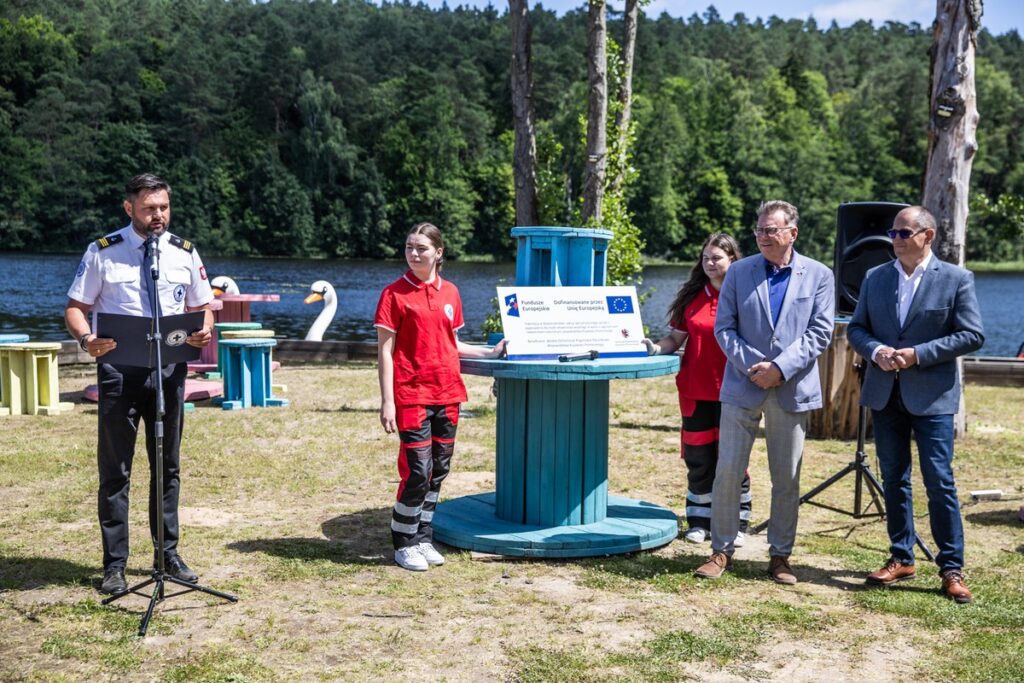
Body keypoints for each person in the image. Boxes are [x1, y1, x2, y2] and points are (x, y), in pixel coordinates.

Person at [65, 173, 215, 595]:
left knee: (167, 466)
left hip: (168, 371)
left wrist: (204, 329)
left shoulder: (184, 252)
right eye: (149, 209)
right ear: (129, 207)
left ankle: (167, 554)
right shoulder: (103, 252)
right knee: (116, 470)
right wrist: (87, 340)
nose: (158, 216)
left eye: (164, 207)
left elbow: (204, 306)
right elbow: (75, 308)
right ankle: (114, 564)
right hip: (119, 372)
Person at [847, 205, 984, 603]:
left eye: (904, 233)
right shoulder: (875, 277)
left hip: (933, 398)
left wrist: (918, 354)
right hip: (884, 393)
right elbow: (857, 329)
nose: (895, 239)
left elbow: (972, 335)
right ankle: (901, 556)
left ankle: (951, 567)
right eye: (893, 233)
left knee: (939, 480)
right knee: (894, 478)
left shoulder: (956, 278)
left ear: (928, 235)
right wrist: (876, 351)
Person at [695, 200, 834, 584]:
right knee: (727, 471)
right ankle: (721, 550)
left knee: (786, 476)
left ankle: (780, 555)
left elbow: (820, 332)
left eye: (771, 230)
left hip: (791, 388)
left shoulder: (819, 275)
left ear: (793, 233)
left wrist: (780, 369)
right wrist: (755, 367)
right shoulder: (739, 272)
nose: (763, 236)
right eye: (759, 230)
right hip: (744, 384)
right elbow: (724, 328)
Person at [375, 222, 506, 571]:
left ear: (438, 252)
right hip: (411, 394)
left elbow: (452, 343)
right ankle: (403, 542)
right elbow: (385, 352)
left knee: (438, 470)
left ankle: (422, 536)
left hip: (448, 393)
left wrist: (489, 353)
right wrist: (387, 401)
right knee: (418, 470)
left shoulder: (451, 292)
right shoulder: (393, 294)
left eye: (421, 248)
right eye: (409, 247)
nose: (414, 253)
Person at [644, 234, 752, 546]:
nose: (709, 263)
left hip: (735, 390)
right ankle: (699, 521)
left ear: (733, 259)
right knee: (699, 458)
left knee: (733, 458)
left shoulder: (746, 295)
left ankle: (737, 522)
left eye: (716, 257)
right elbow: (674, 340)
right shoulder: (692, 296)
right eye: (705, 258)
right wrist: (654, 348)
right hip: (695, 390)